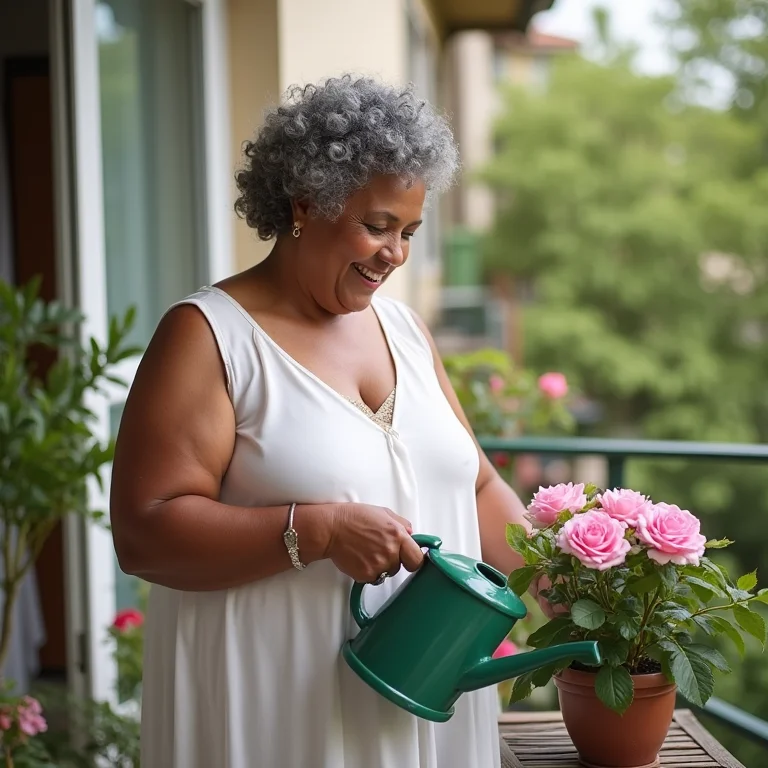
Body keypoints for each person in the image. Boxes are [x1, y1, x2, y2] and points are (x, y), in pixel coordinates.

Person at [110, 75, 532, 768]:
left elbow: (479, 486)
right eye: (377, 225)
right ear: (306, 205)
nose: (396, 253)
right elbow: (144, 531)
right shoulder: (208, 336)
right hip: (278, 713)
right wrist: (320, 530)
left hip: (421, 695)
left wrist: (564, 577)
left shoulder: (406, 330)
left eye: (410, 231)